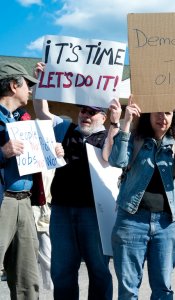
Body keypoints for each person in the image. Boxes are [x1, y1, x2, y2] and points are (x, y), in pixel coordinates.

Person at [33, 62, 113, 300]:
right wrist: (41, 83)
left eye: (92, 112)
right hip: (62, 210)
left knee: (99, 270)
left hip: (95, 214)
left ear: (104, 116)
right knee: (63, 271)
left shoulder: (111, 137)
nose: (85, 115)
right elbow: (41, 111)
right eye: (83, 111)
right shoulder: (65, 129)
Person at [106, 97, 175, 299]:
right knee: (129, 289)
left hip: (166, 224)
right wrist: (126, 123)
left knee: (163, 289)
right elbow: (117, 160)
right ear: (147, 114)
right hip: (132, 220)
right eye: (157, 111)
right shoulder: (134, 139)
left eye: (167, 112)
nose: (162, 117)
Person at [0, 61, 61, 299]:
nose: (31, 90)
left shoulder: (20, 120)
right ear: (14, 86)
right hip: (3, 203)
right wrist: (2, 152)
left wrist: (51, 153)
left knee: (27, 279)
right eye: (28, 85)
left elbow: (33, 160)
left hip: (24, 203)